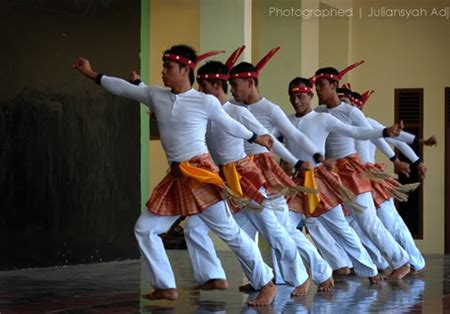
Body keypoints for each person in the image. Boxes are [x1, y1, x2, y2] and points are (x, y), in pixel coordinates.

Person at [72, 44, 277, 306]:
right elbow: (123, 88)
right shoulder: (156, 95)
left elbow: (231, 125)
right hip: (177, 177)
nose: (163, 72)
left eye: (168, 67)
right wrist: (91, 74)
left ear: (185, 69)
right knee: (145, 229)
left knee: (230, 233)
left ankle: (267, 283)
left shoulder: (205, 101)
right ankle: (165, 286)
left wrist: (256, 136)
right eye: (163, 66)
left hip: (201, 175)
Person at [229, 48, 334, 292]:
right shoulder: (234, 106)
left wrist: (314, 156)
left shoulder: (270, 109)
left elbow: (292, 135)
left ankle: (316, 272)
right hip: (241, 171)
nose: (232, 89)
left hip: (263, 171)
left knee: (282, 229)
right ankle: (261, 279)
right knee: (242, 231)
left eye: (235, 84)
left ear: (251, 83)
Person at [312, 62, 411, 279]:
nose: (317, 90)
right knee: (317, 217)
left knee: (367, 221)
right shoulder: (318, 112)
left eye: (321, 85)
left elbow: (367, 133)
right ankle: (349, 264)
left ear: (334, 85)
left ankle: (401, 260)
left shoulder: (350, 112)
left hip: (350, 169)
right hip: (327, 172)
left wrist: (391, 145)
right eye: (315, 85)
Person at [338, 85, 436, 273]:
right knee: (355, 225)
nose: (344, 107)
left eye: (346, 103)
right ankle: (379, 263)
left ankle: (415, 260)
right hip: (347, 180)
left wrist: (415, 160)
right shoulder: (335, 123)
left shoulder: (366, 122)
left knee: (391, 223)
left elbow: (394, 139)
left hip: (372, 178)